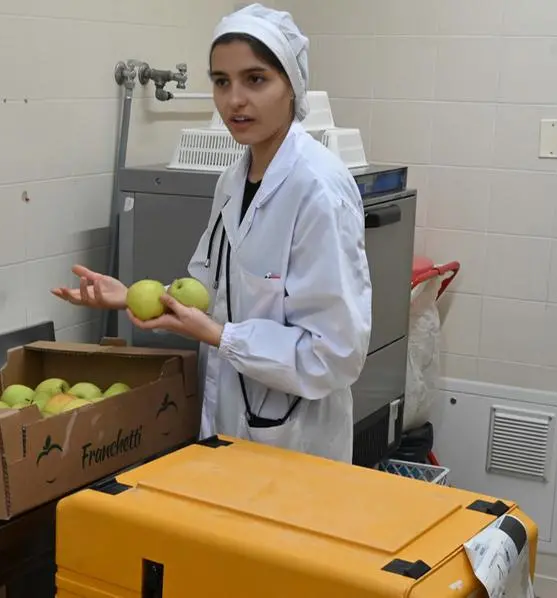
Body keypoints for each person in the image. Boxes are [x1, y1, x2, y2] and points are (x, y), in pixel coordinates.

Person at [51, 3, 372, 463]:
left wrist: (223, 338)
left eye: (255, 79)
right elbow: (207, 290)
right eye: (221, 82)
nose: (234, 99)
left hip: (295, 443)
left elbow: (335, 355)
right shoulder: (233, 178)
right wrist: (131, 296)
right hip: (227, 428)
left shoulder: (318, 189)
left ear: (291, 87)